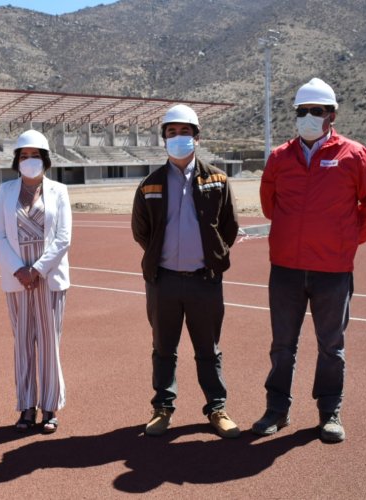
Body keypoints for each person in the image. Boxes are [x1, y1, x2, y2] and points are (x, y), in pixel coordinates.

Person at [253, 78, 366, 442]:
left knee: (331, 346)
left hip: (333, 270)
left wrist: (348, 241)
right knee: (282, 344)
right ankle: (276, 410)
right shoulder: (280, 157)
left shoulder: (353, 154)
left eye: (316, 111)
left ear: (332, 115)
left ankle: (330, 412)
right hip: (286, 269)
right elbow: (269, 204)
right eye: (302, 111)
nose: (308, 117)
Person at [131, 104, 240, 438]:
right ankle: (163, 408)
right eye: (171, 132)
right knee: (164, 349)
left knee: (208, 350)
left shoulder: (217, 180)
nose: (178, 138)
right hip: (163, 281)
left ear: (197, 136)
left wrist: (211, 256)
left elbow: (229, 226)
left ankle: (217, 408)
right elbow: (141, 232)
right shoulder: (150, 185)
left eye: (185, 132)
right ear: (164, 139)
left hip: (204, 281)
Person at [0, 130, 71, 434]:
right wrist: (18, 269)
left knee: (50, 344)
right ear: (16, 160)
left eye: (34, 155)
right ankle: (26, 406)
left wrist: (36, 269)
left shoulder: (59, 191)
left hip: (48, 279)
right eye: (23, 156)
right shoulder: (5, 191)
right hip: (17, 280)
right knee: (22, 343)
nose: (29, 160)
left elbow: (63, 237)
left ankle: (49, 406)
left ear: (45, 159)